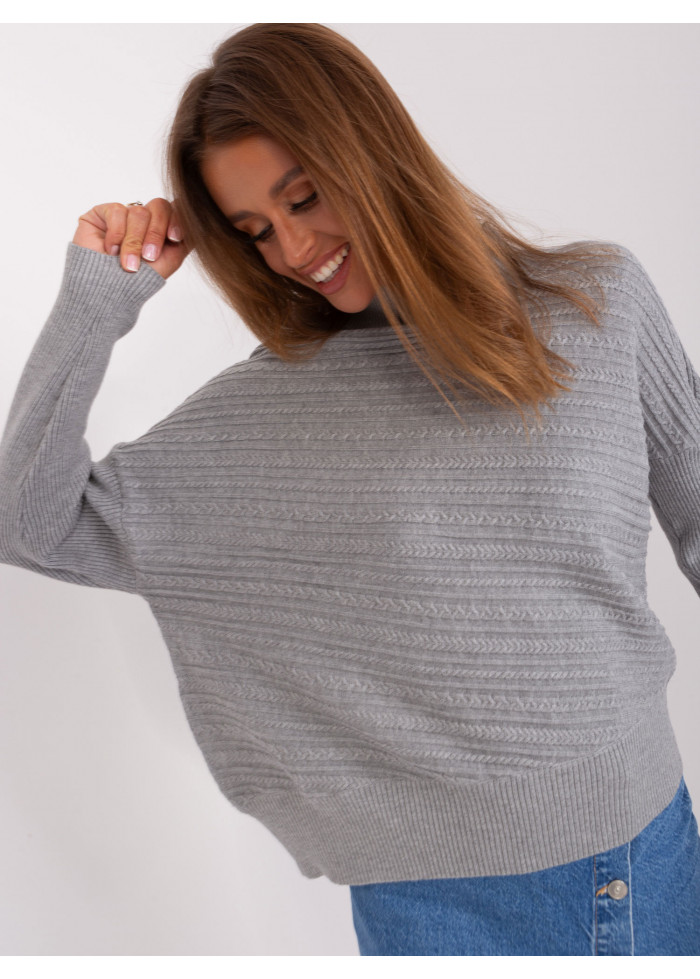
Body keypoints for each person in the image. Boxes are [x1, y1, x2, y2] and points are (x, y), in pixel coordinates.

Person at [1, 22, 699, 956]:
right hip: (410, 898)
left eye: (305, 197)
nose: (294, 248)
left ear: (372, 153)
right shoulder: (265, 410)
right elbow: (26, 522)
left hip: (618, 861)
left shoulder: (592, 305)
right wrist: (94, 305)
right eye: (255, 230)